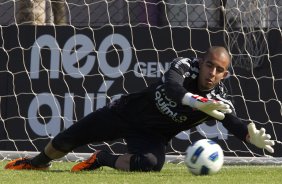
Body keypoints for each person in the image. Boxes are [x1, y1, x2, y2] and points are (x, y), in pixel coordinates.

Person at [5, 46, 275, 172]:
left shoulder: (218, 98)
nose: (212, 72)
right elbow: (172, 87)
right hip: (125, 113)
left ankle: (101, 159)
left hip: (152, 136)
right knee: (67, 139)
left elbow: (233, 122)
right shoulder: (184, 65)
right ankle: (36, 164)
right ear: (201, 61)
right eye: (209, 65)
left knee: (151, 165)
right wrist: (197, 102)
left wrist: (250, 137)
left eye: (219, 70)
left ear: (225, 75)